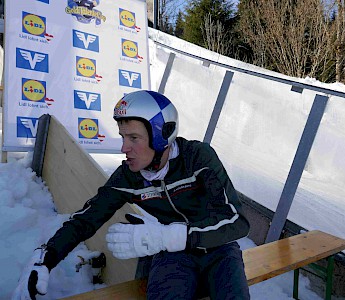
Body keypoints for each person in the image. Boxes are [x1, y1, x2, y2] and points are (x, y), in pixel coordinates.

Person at [12, 90, 251, 300]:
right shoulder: (129, 176)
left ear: (162, 136)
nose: (124, 148)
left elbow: (237, 222)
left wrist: (170, 236)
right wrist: (46, 256)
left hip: (219, 249)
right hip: (173, 257)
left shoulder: (198, 158)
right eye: (123, 137)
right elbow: (86, 219)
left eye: (134, 138)